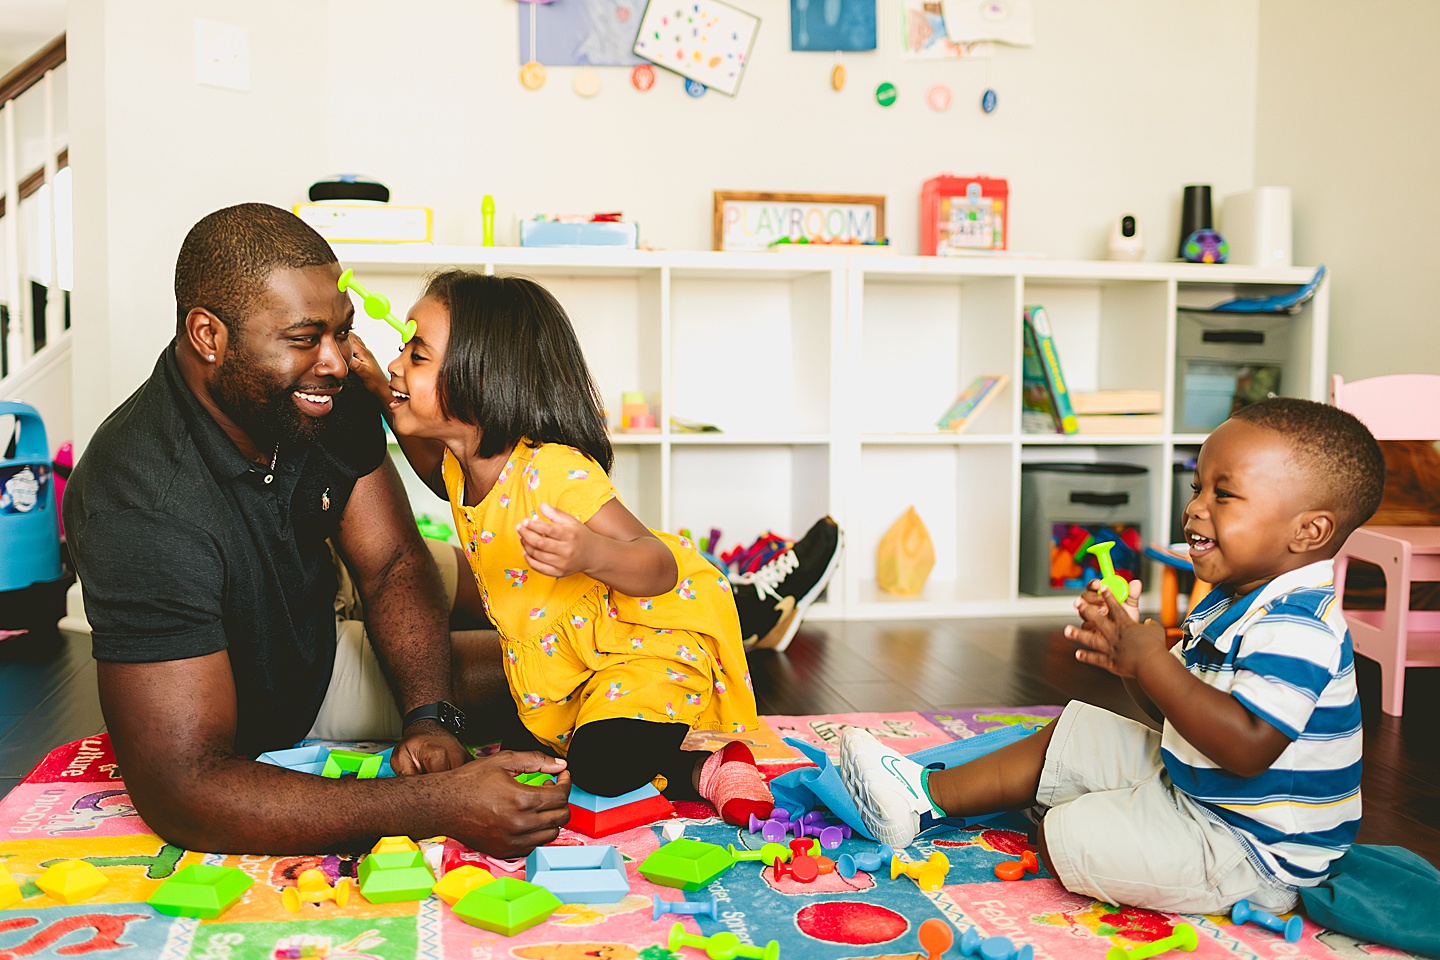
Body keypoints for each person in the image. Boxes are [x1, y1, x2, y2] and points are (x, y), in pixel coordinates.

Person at [63, 203, 570, 856]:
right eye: (305, 338)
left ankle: (719, 605)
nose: (337, 362)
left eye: (343, 332)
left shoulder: (318, 393)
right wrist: (443, 800)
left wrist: (431, 718)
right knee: (553, 660)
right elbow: (183, 791)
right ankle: (688, 651)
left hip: (322, 567)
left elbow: (389, 561)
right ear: (208, 336)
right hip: (296, 670)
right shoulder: (138, 504)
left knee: (552, 585)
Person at [839, 397, 1384, 915]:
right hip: (1198, 788)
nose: (1193, 508)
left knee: (1067, 834)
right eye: (1197, 488)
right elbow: (1178, 716)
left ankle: (1095, 825)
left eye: (1224, 495)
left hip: (1252, 852)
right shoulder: (1234, 598)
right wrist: (1131, 663)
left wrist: (1153, 661)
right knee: (1070, 733)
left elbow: (1245, 749)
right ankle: (917, 797)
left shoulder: (1299, 627)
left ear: (1309, 531)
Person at [347, 269, 776, 824]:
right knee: (529, 746)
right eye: (403, 348)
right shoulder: (460, 466)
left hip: (637, 650)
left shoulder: (554, 471)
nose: (398, 362)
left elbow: (658, 562)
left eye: (418, 354)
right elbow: (434, 472)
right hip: (563, 662)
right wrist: (382, 391)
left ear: (483, 378)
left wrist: (589, 555)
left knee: (600, 765)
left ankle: (707, 765)